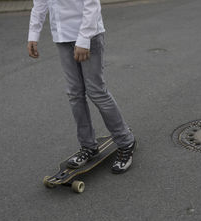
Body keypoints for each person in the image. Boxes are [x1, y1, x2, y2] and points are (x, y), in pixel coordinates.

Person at [27, 0, 136, 174]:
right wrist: (33, 34)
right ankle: (88, 146)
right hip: (62, 37)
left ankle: (126, 141)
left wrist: (84, 39)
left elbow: (92, 4)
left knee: (96, 92)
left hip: (88, 35)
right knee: (74, 94)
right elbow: (40, 4)